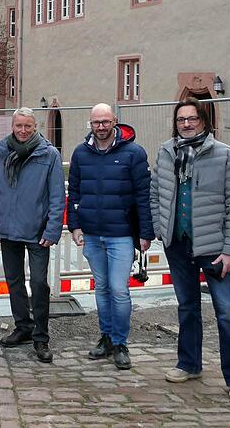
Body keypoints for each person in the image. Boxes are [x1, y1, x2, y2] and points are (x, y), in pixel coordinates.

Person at [150, 97, 230, 403]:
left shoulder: (226, 156)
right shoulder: (167, 153)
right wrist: (160, 227)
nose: (187, 124)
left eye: (192, 118)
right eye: (181, 120)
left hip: (214, 248)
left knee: (227, 313)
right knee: (187, 308)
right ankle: (189, 363)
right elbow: (156, 192)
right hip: (178, 244)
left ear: (203, 121)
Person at [67, 103, 153, 370]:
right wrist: (74, 226)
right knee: (102, 289)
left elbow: (143, 195)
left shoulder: (134, 153)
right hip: (92, 234)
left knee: (119, 290)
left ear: (115, 121)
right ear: (90, 124)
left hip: (121, 235)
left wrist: (145, 233)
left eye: (105, 121)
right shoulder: (81, 153)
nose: (101, 127)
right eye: (96, 122)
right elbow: (76, 192)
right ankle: (105, 337)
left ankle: (120, 342)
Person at [0, 107, 65, 363]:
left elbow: (57, 196)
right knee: (14, 281)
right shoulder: (2, 152)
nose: (23, 130)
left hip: (37, 231)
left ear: (35, 127)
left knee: (39, 284)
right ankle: (23, 327)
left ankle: (41, 337)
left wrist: (53, 229)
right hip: (8, 228)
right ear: (13, 126)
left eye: (28, 126)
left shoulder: (48, 154)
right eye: (19, 125)